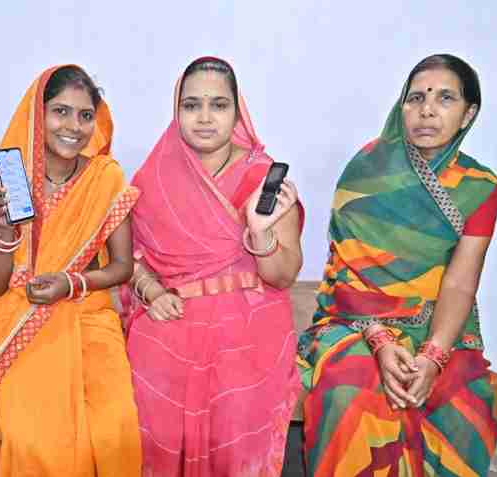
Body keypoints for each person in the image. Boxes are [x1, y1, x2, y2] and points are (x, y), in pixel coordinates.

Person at [298, 54, 497, 476]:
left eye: (445, 98)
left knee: (466, 403)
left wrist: (433, 357)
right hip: (353, 323)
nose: (427, 109)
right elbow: (345, 271)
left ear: (468, 114)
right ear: (402, 106)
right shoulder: (366, 170)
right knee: (353, 394)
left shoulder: (481, 187)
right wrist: (377, 337)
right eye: (416, 97)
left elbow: (460, 283)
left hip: (438, 328)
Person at [0, 65, 142, 477]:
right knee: (30, 437)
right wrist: (4, 230)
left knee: (116, 428)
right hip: (13, 314)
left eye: (85, 115)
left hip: (86, 314)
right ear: (37, 116)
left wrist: (70, 283)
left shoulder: (105, 177)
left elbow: (122, 267)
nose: (73, 126)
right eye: (60, 111)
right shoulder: (2, 181)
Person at [124, 57, 304, 476]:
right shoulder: (153, 177)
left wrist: (259, 231)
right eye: (192, 105)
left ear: (237, 113)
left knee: (235, 413)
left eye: (218, 105)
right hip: (171, 314)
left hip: (249, 319)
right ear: (177, 111)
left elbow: (282, 275)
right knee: (147, 403)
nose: (204, 118)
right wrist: (151, 291)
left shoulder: (262, 176)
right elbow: (128, 257)